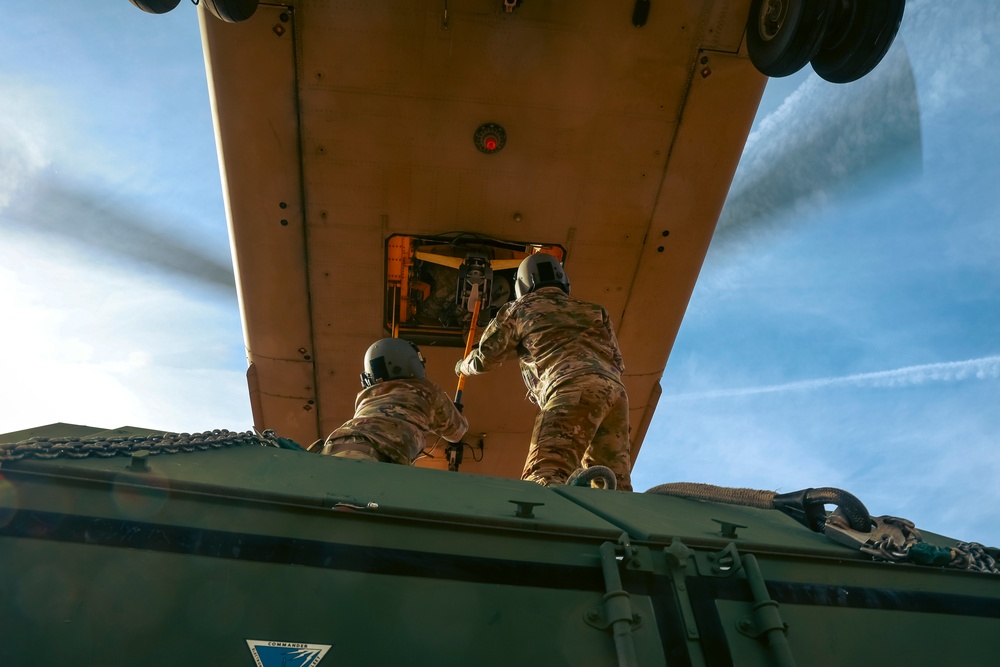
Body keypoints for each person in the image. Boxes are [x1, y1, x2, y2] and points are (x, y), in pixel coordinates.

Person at [455, 253, 632, 490]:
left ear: (522, 284)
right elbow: (619, 362)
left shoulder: (519, 309)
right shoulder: (595, 310)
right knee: (613, 486)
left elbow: (486, 357)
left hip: (569, 387)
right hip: (615, 395)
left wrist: (462, 367)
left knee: (546, 473)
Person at [315, 337, 468, 464]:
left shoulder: (368, 395)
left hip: (334, 447)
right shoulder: (426, 391)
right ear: (413, 363)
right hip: (376, 455)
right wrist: (455, 412)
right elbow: (456, 432)